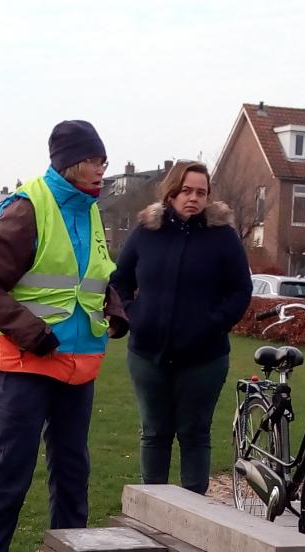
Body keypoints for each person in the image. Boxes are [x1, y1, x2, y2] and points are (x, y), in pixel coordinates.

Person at [0, 120, 127, 552]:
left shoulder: (92, 211)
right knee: (12, 466)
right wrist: (32, 333)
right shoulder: (27, 208)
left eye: (104, 161)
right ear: (73, 163)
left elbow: (95, 277)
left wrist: (115, 309)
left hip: (79, 362)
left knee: (73, 468)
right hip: (24, 362)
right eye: (97, 161)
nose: (103, 170)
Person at [108, 160, 251, 494]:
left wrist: (211, 324)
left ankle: (192, 518)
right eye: (186, 190)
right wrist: (133, 314)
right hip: (147, 354)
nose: (193, 198)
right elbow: (120, 278)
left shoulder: (223, 237)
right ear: (171, 193)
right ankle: (153, 513)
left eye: (201, 192)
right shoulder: (147, 231)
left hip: (204, 358)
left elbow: (240, 290)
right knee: (154, 432)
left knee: (194, 433)